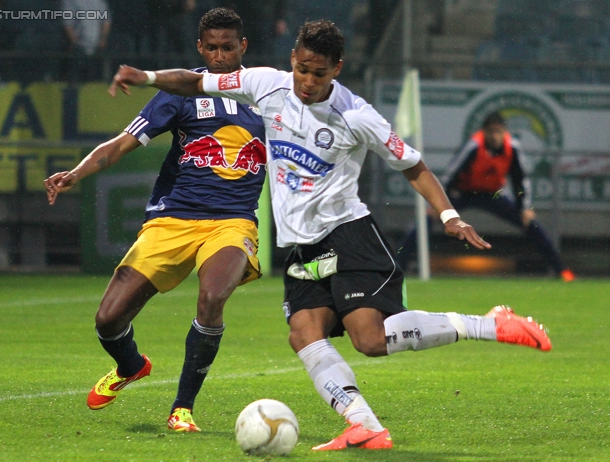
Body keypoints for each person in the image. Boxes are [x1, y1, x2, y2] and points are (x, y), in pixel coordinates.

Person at [108, 19, 552, 451]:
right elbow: (193, 83)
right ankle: (366, 427)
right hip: (305, 244)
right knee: (303, 333)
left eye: (318, 73)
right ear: (293, 60)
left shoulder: (357, 115)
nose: (307, 81)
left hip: (349, 234)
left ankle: (490, 325)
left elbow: (413, 166)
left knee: (370, 341)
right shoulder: (266, 84)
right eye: (302, 69)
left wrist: (450, 215)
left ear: (336, 69)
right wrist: (146, 77)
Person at [44, 8, 267, 433]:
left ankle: (182, 408)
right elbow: (122, 143)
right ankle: (130, 365)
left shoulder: (266, 94)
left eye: (228, 47)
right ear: (200, 48)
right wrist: (77, 172)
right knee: (108, 320)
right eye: (212, 48)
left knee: (212, 299)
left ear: (243, 47)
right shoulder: (181, 92)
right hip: (173, 220)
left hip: (233, 223)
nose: (220, 56)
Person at [396, 111, 575, 282]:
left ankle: (561, 270)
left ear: (504, 132)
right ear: (484, 132)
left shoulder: (512, 147)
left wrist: (524, 208)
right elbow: (450, 175)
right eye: (491, 131)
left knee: (531, 224)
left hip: (492, 195)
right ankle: (398, 267)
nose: (495, 136)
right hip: (463, 193)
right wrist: (438, 206)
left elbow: (520, 180)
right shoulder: (474, 145)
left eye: (498, 132)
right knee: (424, 221)